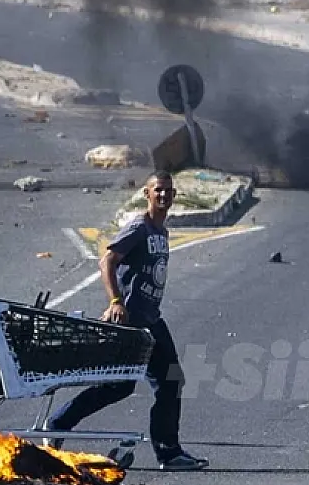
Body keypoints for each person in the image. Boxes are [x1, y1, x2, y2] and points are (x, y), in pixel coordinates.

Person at [45, 171, 209, 472]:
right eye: (158, 190)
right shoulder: (139, 228)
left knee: (168, 382)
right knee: (118, 387)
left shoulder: (161, 232)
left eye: (168, 191)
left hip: (152, 323)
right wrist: (116, 302)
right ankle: (57, 424)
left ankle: (169, 453)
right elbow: (106, 260)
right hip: (131, 325)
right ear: (147, 194)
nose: (163, 196)